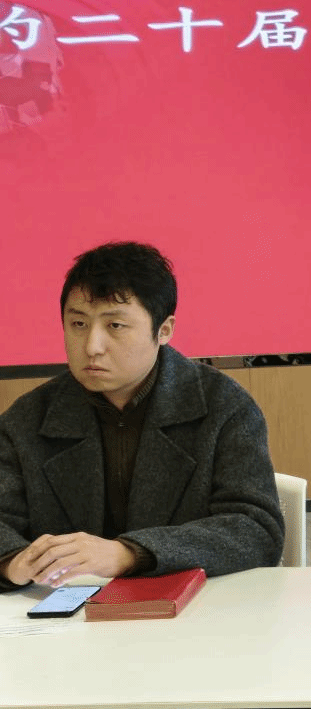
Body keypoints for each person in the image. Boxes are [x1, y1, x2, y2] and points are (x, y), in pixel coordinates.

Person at [0, 242, 284, 589]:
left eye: (115, 325)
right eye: (78, 323)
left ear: (164, 330)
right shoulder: (27, 419)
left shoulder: (224, 407)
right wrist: (11, 562)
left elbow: (255, 528)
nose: (91, 346)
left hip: (199, 608)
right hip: (68, 612)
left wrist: (129, 553)